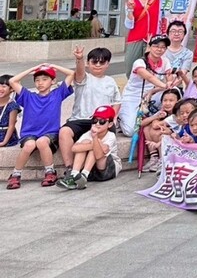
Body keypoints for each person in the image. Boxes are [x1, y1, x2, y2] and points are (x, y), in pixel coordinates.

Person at [57, 46, 120, 185]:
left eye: (102, 62)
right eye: (94, 61)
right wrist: (79, 59)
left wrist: (112, 119)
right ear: (88, 63)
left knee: (96, 144)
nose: (98, 65)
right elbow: (79, 72)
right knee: (64, 132)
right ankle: (70, 170)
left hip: (101, 121)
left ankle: (82, 174)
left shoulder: (111, 81)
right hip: (80, 119)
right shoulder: (84, 77)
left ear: (108, 64)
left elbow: (116, 102)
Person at [6, 64, 76, 188]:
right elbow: (12, 81)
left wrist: (53, 66)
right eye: (37, 80)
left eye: (44, 79)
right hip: (29, 134)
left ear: (53, 81)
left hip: (50, 134)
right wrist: (32, 69)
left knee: (42, 142)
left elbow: (71, 74)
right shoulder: (28, 96)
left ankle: (50, 172)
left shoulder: (57, 94)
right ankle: (16, 174)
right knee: (29, 145)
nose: (40, 83)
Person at [119, 36, 174, 136]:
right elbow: (149, 77)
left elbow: (169, 75)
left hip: (151, 96)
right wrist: (165, 85)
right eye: (156, 46)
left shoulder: (165, 61)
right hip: (133, 96)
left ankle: (169, 119)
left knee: (174, 90)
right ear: (150, 46)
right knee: (130, 131)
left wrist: (170, 82)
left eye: (163, 47)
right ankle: (121, 116)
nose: (159, 49)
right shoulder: (139, 62)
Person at [56, 105, 121, 190]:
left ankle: (84, 175)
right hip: (92, 170)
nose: (97, 124)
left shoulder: (111, 136)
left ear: (110, 124)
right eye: (94, 120)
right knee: (85, 143)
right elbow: (74, 148)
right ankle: (75, 175)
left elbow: (99, 155)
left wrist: (95, 139)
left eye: (102, 121)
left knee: (95, 146)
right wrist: (91, 143)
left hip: (107, 171)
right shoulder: (88, 134)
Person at [123, 0, 160, 78]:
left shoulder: (157, 0)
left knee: (151, 69)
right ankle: (132, 86)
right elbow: (129, 25)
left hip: (152, 39)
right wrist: (130, 10)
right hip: (135, 38)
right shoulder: (132, 2)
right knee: (131, 68)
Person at [0, 74, 20, 147]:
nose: (0, 88)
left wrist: (4, 142)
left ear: (12, 89)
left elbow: (11, 126)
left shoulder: (12, 106)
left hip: (5, 136)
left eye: (4, 86)